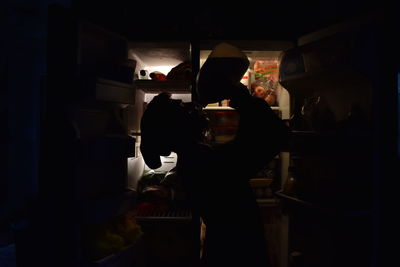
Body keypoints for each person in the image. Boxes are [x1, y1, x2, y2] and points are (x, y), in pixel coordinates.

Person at [140, 43, 291, 267]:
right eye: (180, 108)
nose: (191, 107)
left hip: (225, 251)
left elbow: (256, 142)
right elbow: (271, 138)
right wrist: (238, 94)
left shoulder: (197, 159)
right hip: (235, 255)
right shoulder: (200, 163)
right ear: (174, 128)